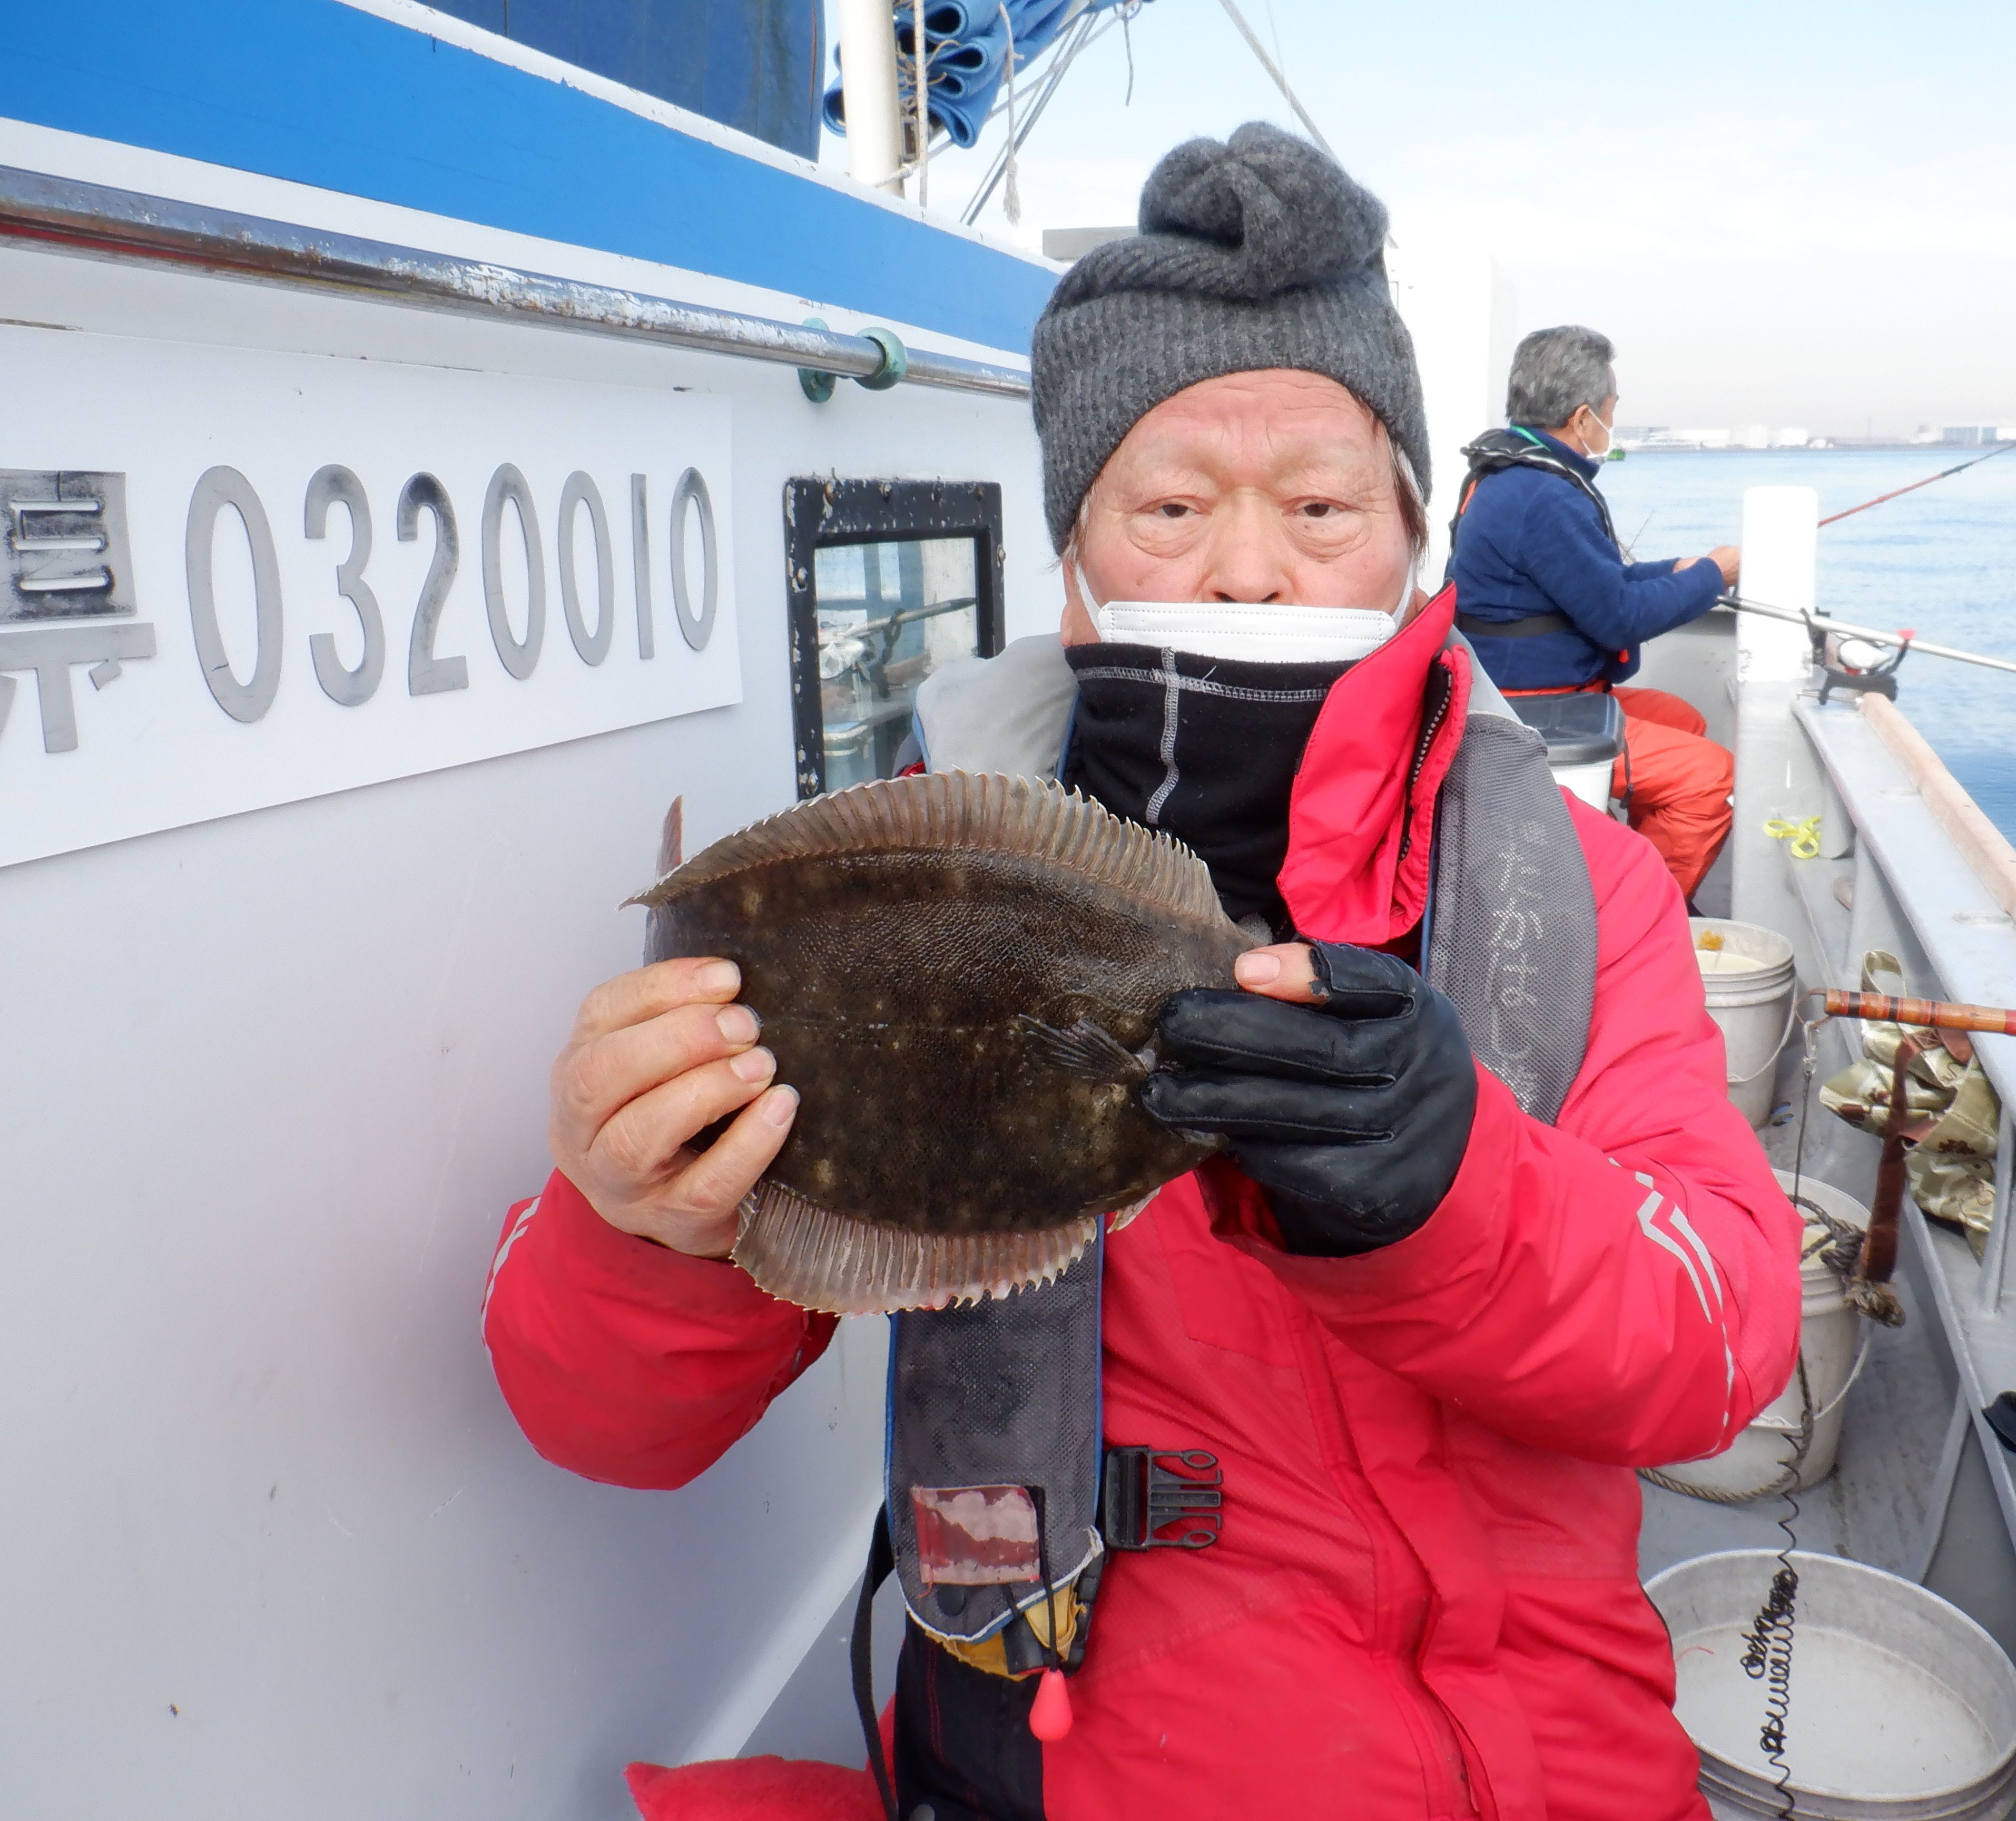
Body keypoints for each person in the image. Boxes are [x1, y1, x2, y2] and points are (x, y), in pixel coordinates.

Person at [484, 124, 1801, 1821]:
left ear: (1410, 541)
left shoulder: (1575, 888)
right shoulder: (895, 887)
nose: (1249, 568)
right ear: (1077, 565)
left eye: (1321, 508)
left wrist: (1458, 1190)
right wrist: (643, 1223)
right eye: (1171, 509)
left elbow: (1725, 1346)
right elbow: (607, 1428)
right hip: (1066, 1746)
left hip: (1538, 1755)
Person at [1446, 326, 1740, 902]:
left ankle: (1621, 866)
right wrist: (1714, 575)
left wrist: (1678, 569)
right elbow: (1619, 619)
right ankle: (1640, 920)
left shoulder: (1514, 476)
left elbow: (1595, 583)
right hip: (1527, 709)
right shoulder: (1543, 495)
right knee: (1709, 778)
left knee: (1682, 720)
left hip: (1526, 690)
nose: (1611, 421)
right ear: (1583, 418)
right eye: (1611, 409)